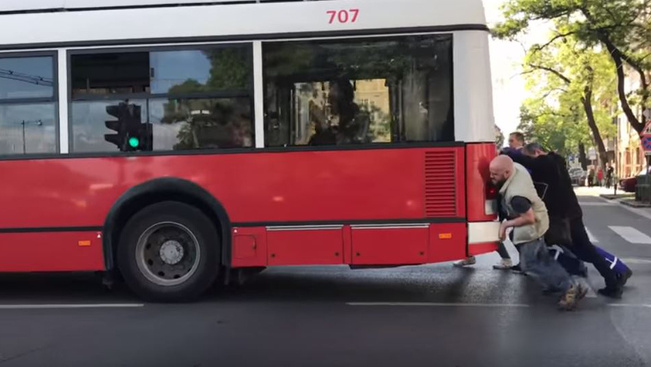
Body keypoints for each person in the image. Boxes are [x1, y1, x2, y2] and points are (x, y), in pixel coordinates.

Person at [506, 143, 631, 298]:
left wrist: (505, 152)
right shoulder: (555, 161)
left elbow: (522, 160)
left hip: (562, 217)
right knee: (583, 250)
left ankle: (577, 280)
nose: (529, 161)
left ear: (537, 152)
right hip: (571, 213)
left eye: (529, 156)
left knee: (561, 250)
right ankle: (611, 281)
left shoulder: (547, 163)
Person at [491, 155, 585, 310]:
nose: (491, 177)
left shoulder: (516, 196)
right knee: (543, 258)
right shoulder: (517, 168)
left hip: (532, 227)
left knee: (530, 264)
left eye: (495, 174)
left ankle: (569, 288)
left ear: (507, 173)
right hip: (541, 219)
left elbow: (529, 218)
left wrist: (505, 225)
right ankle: (559, 285)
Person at [454, 131, 526, 270]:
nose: (509, 144)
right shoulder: (514, 155)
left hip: (511, 197)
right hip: (506, 196)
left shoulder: (518, 155)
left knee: (501, 230)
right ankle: (471, 255)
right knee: (495, 228)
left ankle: (512, 260)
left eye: (512, 141)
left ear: (520, 141)